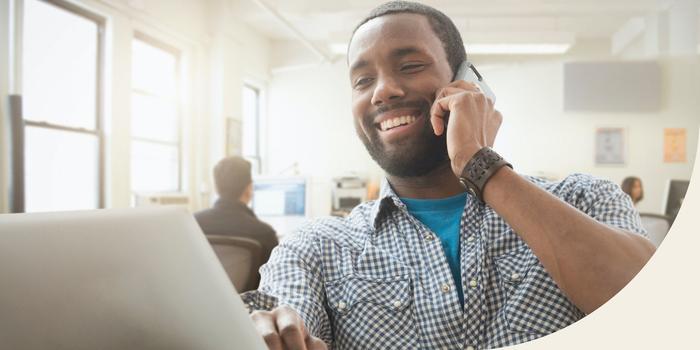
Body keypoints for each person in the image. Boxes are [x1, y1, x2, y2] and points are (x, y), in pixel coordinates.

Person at [242, 2, 655, 349]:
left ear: (467, 82)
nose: (383, 91)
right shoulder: (316, 249)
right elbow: (282, 314)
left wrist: (480, 164)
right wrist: (265, 330)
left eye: (411, 65)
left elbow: (647, 311)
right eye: (362, 80)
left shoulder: (584, 198)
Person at [194, 156, 278, 283]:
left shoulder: (192, 224)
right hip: (246, 302)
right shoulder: (265, 233)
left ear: (216, 188)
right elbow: (273, 282)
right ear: (249, 189)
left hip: (202, 299)